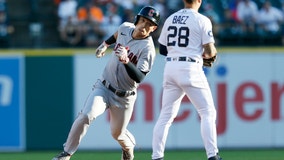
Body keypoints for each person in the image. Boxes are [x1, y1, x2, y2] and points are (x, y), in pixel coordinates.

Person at [52, 6, 160, 160]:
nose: (144, 25)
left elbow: (139, 77)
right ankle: (66, 153)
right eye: (142, 20)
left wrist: (126, 61)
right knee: (86, 115)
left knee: (117, 134)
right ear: (137, 20)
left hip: (125, 96)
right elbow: (116, 35)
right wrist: (104, 44)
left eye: (149, 24)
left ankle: (128, 148)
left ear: (154, 28)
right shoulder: (125, 27)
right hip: (104, 86)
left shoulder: (148, 49)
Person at [151, 0, 222, 160]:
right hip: (190, 68)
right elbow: (210, 51)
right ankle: (213, 155)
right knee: (207, 112)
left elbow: (163, 49)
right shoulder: (202, 19)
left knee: (165, 116)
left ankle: (156, 156)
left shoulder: (170, 18)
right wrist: (207, 54)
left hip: (171, 67)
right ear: (199, 1)